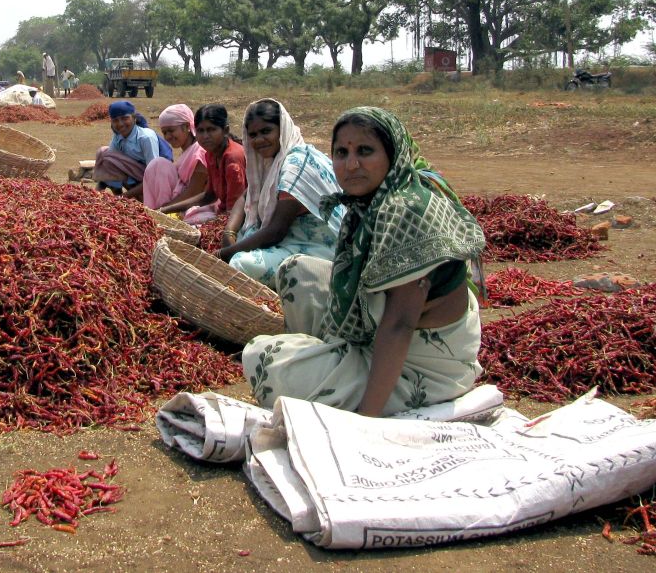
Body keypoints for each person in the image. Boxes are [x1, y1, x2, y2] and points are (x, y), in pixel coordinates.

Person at [242, 107, 487, 418]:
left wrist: (367, 421)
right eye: (341, 153)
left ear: (392, 153)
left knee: (262, 358)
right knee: (295, 269)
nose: (351, 164)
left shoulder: (404, 212)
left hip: (422, 369)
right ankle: (335, 361)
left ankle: (357, 384)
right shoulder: (366, 204)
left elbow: (399, 325)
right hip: (381, 337)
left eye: (365, 151)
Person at [218, 99, 345, 283]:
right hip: (292, 240)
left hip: (320, 250)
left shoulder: (297, 163)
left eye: (266, 131)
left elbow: (276, 231)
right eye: (253, 135)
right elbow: (248, 194)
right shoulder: (275, 160)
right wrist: (229, 232)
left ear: (282, 129)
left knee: (240, 263)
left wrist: (225, 253)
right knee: (244, 236)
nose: (259, 140)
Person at [170, 104, 247, 226]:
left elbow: (234, 209)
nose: (205, 136)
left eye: (211, 130)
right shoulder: (211, 155)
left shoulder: (232, 158)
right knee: (188, 217)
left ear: (225, 130)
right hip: (223, 211)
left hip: (239, 217)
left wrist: (214, 228)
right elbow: (209, 195)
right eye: (200, 130)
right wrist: (165, 209)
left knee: (193, 225)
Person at [143, 104, 208, 211]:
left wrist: (163, 210)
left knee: (159, 165)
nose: (168, 136)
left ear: (187, 127)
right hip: (176, 204)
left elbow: (193, 192)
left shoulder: (200, 151)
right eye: (165, 132)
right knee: (157, 165)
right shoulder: (187, 152)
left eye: (171, 131)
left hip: (193, 205)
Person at [92, 100, 161, 196]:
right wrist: (95, 194)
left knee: (106, 154)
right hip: (136, 175)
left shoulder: (145, 138)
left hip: (155, 179)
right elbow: (108, 165)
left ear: (134, 118)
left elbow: (154, 174)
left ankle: (132, 198)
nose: (120, 124)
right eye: (115, 120)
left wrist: (124, 197)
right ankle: (119, 196)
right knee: (104, 154)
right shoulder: (118, 137)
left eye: (125, 118)